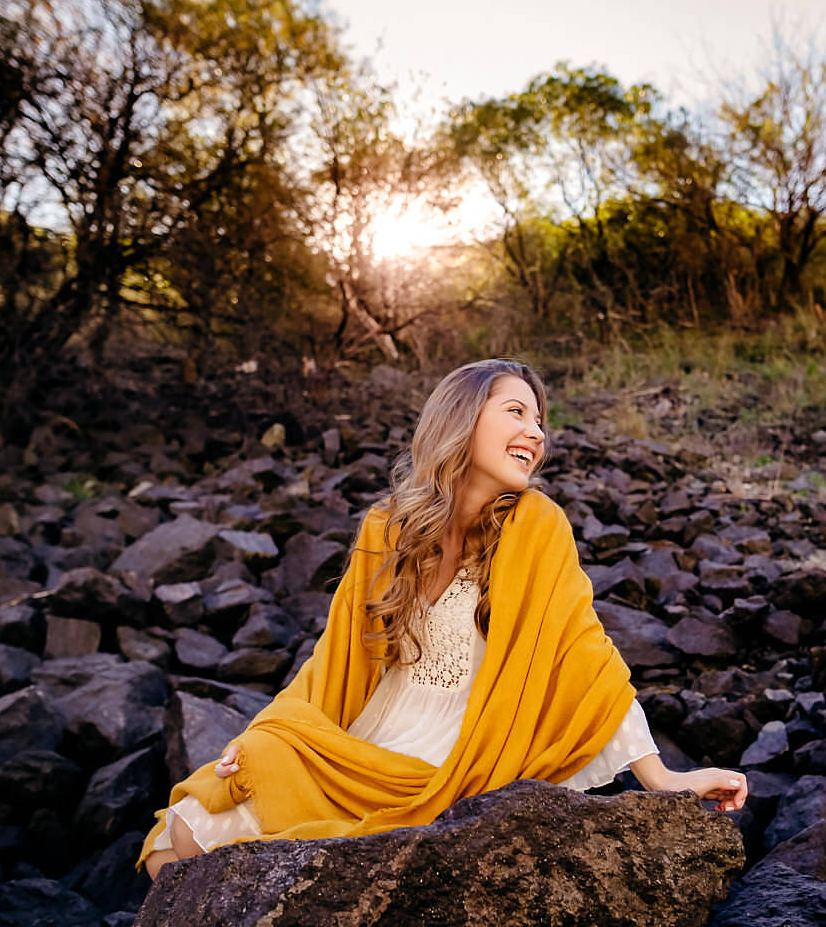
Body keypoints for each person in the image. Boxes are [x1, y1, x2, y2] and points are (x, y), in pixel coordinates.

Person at [138, 358, 749, 881]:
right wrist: (263, 735)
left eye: (540, 421)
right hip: (362, 750)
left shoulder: (537, 525)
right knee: (179, 836)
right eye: (516, 412)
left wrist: (662, 778)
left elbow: (587, 655)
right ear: (462, 418)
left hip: (462, 762)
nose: (536, 433)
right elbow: (332, 662)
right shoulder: (388, 527)